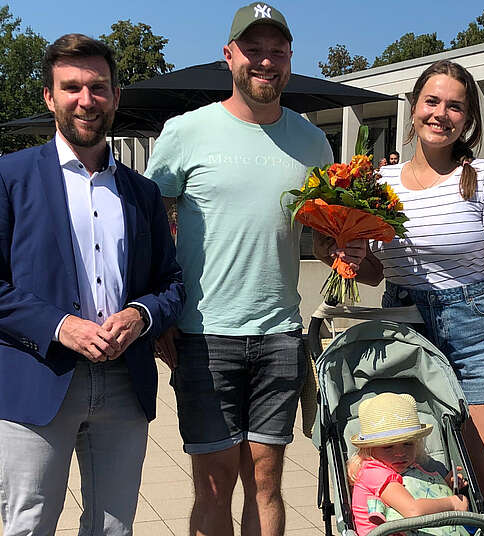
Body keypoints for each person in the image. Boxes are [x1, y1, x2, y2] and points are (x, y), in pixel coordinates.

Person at [315, 60, 484, 536]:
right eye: (432, 102)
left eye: (455, 106)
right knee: (419, 463)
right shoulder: (381, 185)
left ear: (468, 119)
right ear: (413, 109)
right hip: (405, 327)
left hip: (478, 329)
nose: (441, 114)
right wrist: (342, 251)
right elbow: (372, 272)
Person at [145, 3, 333, 536]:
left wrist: (346, 249)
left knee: (268, 478)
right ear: (229, 56)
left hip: (279, 334)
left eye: (276, 51)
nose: (265, 62)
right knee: (213, 478)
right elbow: (150, 225)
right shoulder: (186, 131)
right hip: (204, 334)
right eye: (253, 50)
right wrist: (160, 310)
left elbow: (324, 235)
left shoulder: (311, 141)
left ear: (290, 60)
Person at [0, 34, 184, 536]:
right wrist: (61, 326)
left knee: (112, 526)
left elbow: (171, 282)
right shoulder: (10, 178)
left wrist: (141, 314)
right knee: (29, 524)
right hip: (37, 377)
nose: (86, 100)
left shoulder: (142, 192)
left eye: (98, 87)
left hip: (125, 381)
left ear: (116, 95)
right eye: (72, 87)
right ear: (49, 96)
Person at [348, 393, 469, 536]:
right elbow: (413, 510)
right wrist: (452, 503)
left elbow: (421, 495)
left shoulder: (403, 468)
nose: (400, 453)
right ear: (369, 449)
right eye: (388, 447)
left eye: (407, 444)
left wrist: (444, 487)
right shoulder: (375, 473)